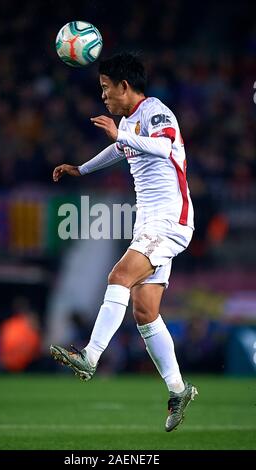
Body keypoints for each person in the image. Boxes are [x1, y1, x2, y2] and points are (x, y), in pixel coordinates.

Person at [50, 52, 198, 432]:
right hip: (149, 222)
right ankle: (178, 390)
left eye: (105, 88)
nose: (103, 96)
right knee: (145, 311)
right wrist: (80, 168)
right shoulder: (129, 123)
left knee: (119, 275)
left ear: (124, 86)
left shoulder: (155, 110)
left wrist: (123, 135)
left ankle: (90, 356)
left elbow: (166, 146)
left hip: (169, 218)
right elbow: (119, 149)